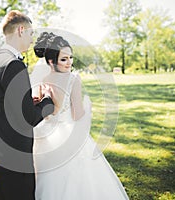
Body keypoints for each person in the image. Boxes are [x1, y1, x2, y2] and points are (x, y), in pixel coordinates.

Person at [32, 32, 129, 199]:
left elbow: (45, 112)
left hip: (47, 136)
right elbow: (77, 115)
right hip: (69, 134)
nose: (69, 62)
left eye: (70, 57)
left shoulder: (43, 80)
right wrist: (87, 107)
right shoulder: (73, 79)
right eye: (64, 59)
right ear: (51, 61)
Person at [0, 11, 54, 200]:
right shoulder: (14, 65)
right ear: (21, 30)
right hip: (15, 155)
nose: (32, 40)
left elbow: (4, 104)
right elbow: (30, 117)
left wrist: (28, 102)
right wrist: (47, 101)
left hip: (0, 152)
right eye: (30, 33)